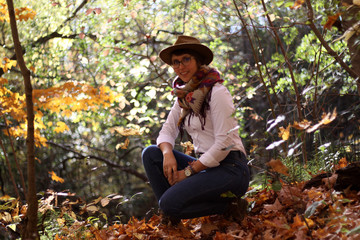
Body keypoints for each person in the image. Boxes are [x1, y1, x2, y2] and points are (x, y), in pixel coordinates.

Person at [142, 35, 250, 225]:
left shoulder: (217, 92)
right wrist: (167, 153)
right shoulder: (184, 98)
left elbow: (224, 145)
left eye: (186, 59)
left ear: (197, 60)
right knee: (151, 153)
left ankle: (230, 206)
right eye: (176, 62)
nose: (181, 67)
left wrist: (188, 173)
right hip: (206, 169)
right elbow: (166, 132)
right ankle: (172, 216)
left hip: (231, 170)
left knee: (168, 204)